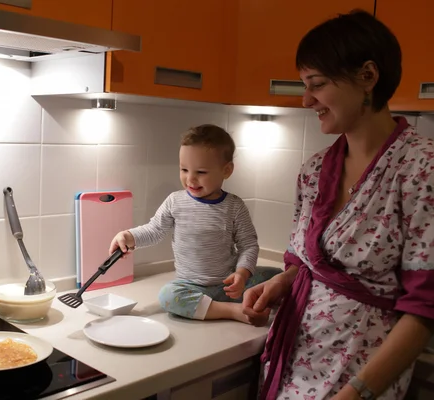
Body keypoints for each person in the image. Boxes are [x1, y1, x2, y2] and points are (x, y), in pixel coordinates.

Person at [241, 9, 434, 400]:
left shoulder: (421, 169)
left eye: (317, 84)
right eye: (303, 84)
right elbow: (304, 262)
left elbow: (426, 307)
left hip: (363, 373)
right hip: (297, 356)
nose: (306, 99)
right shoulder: (314, 171)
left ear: (367, 77)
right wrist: (281, 282)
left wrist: (355, 393)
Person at [109, 124, 282, 323]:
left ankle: (235, 304)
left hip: (230, 284)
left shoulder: (234, 206)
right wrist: (128, 236)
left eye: (201, 172)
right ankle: (234, 311)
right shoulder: (175, 201)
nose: (190, 178)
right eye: (184, 169)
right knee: (168, 296)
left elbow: (248, 245)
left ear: (226, 170)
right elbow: (154, 230)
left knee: (280, 278)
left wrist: (242, 274)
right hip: (190, 288)